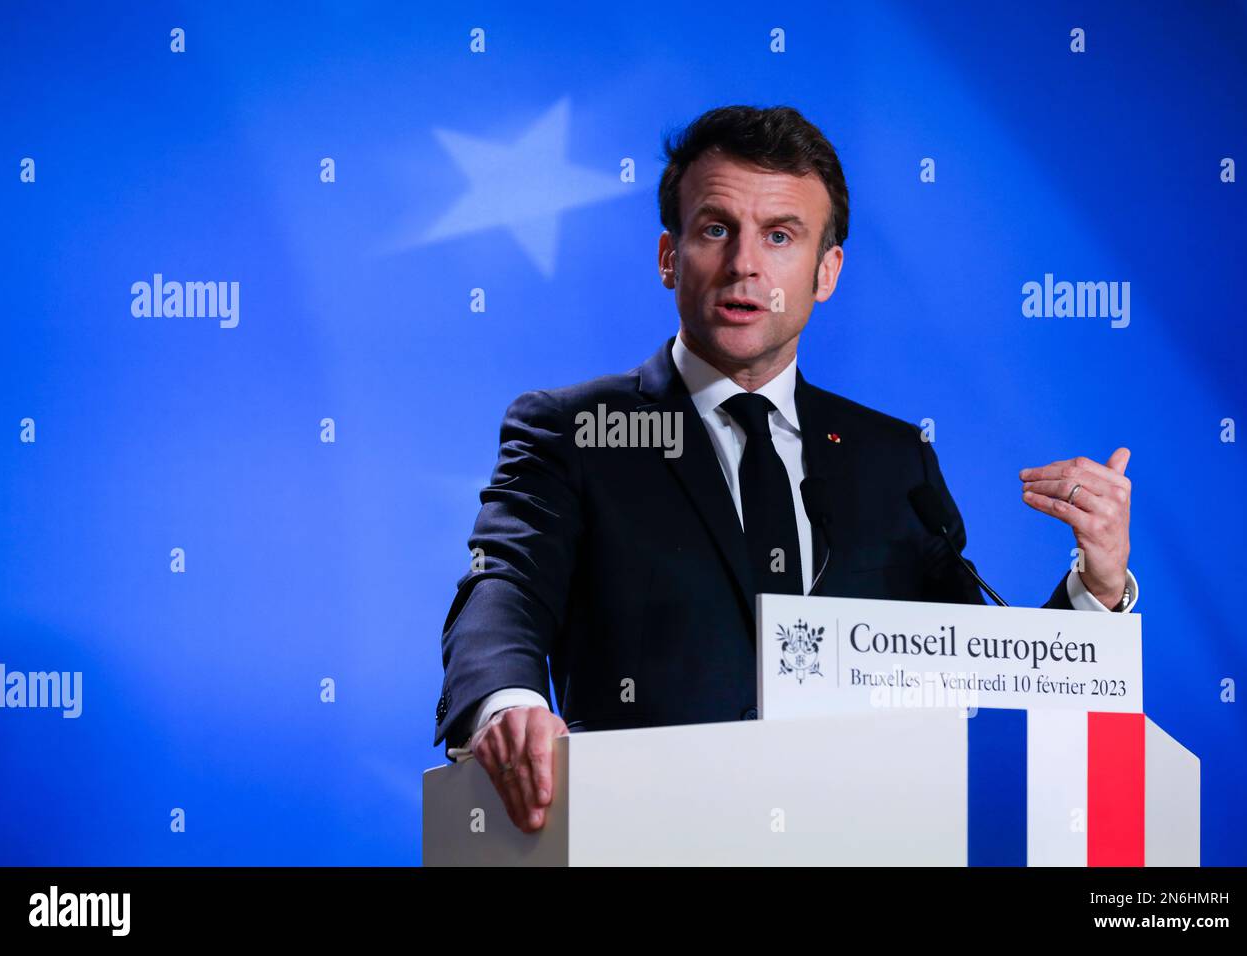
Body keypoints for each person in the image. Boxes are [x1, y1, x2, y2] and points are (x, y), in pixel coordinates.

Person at [432, 105, 1137, 835]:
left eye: (780, 235)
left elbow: (983, 670)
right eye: (715, 229)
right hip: (643, 835)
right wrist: (509, 704)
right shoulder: (576, 431)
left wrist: (1098, 587)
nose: (745, 264)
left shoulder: (892, 458)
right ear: (669, 257)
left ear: (826, 271)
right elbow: (505, 583)